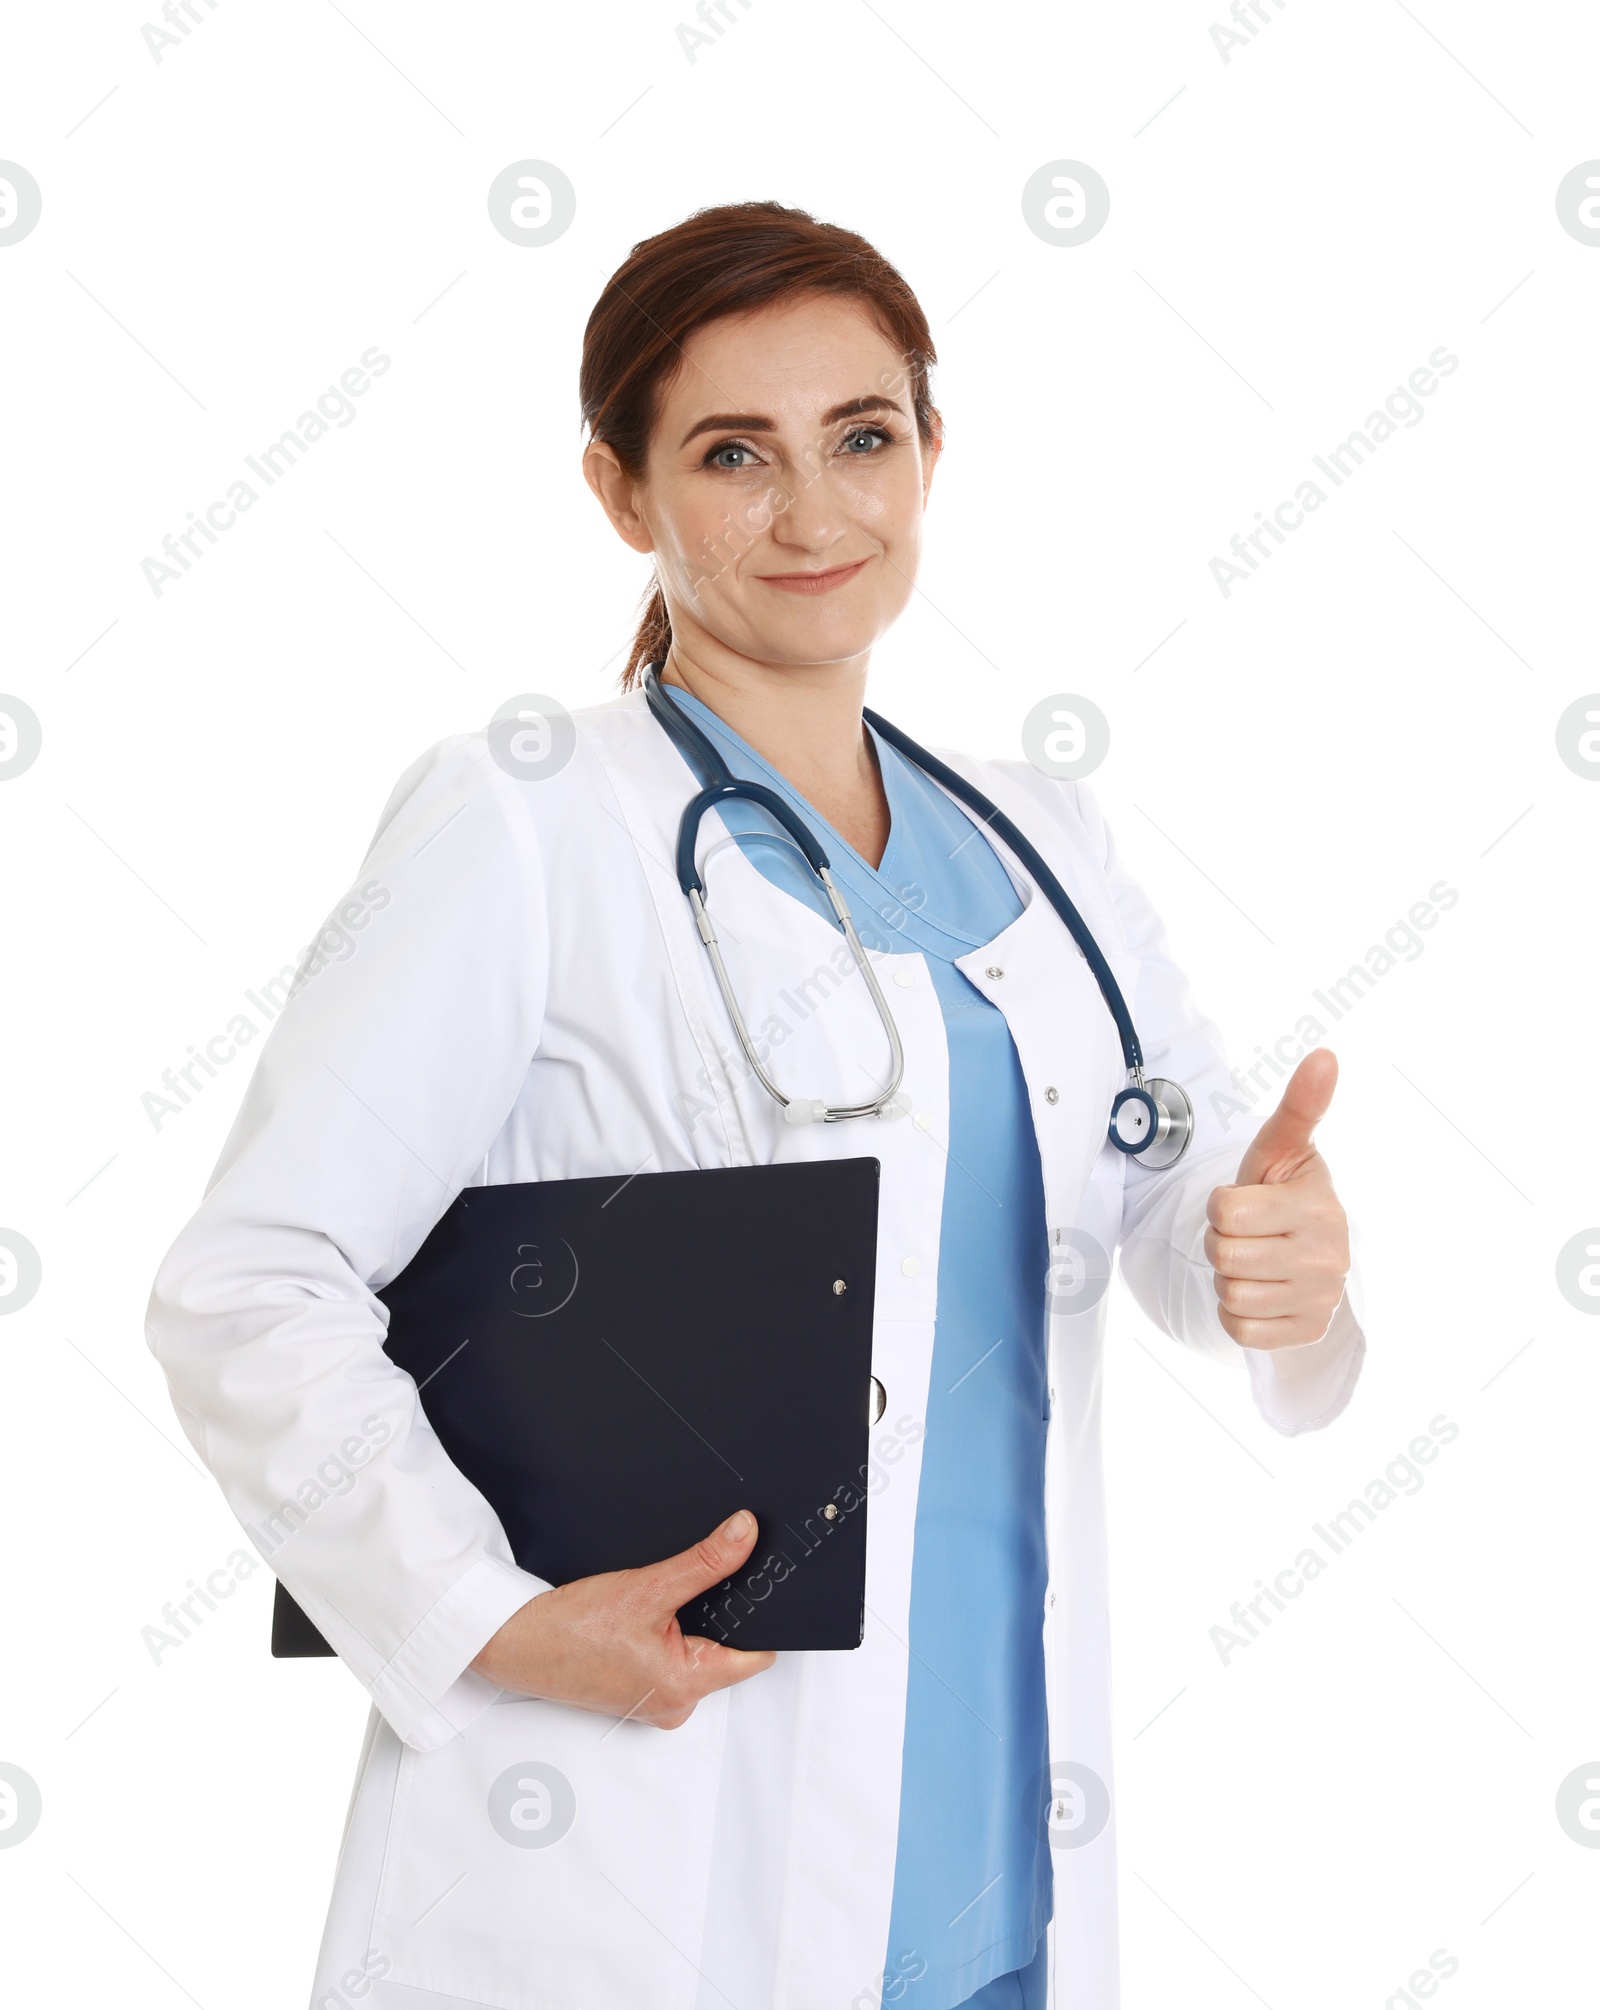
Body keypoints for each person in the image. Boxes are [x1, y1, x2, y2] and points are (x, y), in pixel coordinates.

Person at [146, 200, 1363, 2010]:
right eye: (734, 454)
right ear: (621, 492)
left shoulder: (1049, 847)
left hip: (991, 1844)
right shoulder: (531, 824)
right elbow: (250, 1282)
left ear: (931, 453)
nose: (815, 512)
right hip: (652, 1831)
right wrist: (488, 1616)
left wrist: (1279, 1255)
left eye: (863, 437)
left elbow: (1172, 1202)